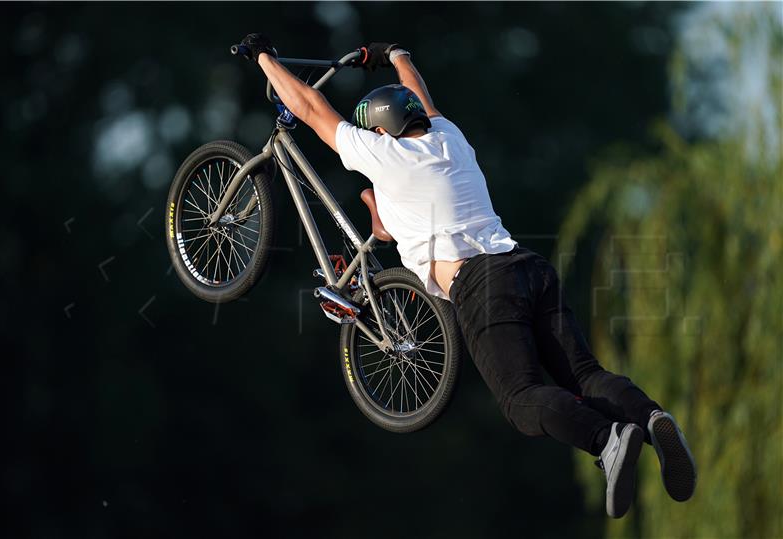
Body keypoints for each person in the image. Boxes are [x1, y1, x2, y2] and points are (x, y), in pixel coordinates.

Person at [241, 34, 697, 518]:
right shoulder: (448, 137)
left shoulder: (384, 155)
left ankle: (608, 440)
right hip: (527, 265)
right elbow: (421, 96)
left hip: (483, 285)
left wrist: (264, 57)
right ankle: (649, 417)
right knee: (585, 373)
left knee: (522, 401)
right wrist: (399, 56)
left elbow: (311, 107)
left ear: (381, 131)